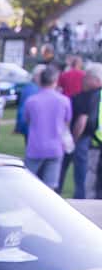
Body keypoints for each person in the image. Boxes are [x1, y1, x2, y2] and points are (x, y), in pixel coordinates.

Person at [21, 65, 71, 186]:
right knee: (50, 185)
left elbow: (27, 120)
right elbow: (67, 122)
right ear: (55, 81)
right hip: (55, 146)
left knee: (28, 183)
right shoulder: (64, 100)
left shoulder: (31, 100)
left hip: (35, 146)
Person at [71, 69, 100, 197]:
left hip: (88, 140)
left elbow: (82, 120)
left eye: (86, 78)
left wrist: (74, 139)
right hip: (95, 140)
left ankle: (82, 200)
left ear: (96, 80)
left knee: (86, 175)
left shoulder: (89, 96)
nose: (83, 80)